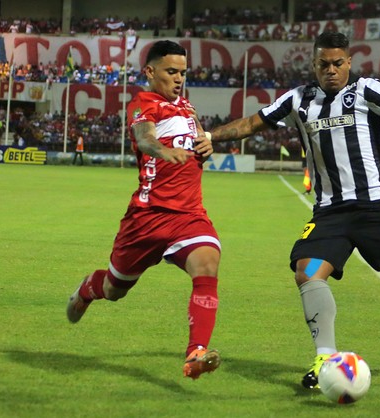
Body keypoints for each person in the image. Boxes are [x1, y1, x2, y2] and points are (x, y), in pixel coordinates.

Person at [205, 31, 380, 389]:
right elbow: (252, 123)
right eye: (323, 64)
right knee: (307, 271)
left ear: (349, 63)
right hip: (330, 211)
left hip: (376, 205)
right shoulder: (298, 100)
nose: (330, 70)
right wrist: (210, 137)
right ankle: (325, 357)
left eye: (337, 63)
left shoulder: (366, 90)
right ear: (314, 64)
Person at [65, 40, 221, 380]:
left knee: (207, 266)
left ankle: (196, 353)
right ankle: (89, 288)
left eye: (182, 72)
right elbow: (145, 137)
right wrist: (162, 152)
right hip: (147, 218)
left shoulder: (189, 110)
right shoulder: (144, 103)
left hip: (189, 215)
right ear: (150, 72)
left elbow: (198, 146)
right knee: (114, 290)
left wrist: (206, 143)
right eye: (170, 71)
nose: (178, 78)